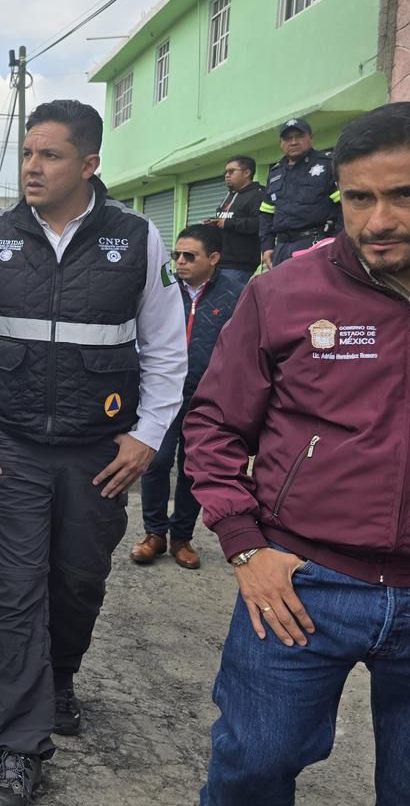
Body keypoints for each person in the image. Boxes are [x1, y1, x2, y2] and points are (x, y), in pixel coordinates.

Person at [184, 101, 410, 805]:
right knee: (252, 769)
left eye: (405, 195)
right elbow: (215, 426)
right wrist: (246, 547)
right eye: (361, 198)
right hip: (302, 584)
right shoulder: (285, 293)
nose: (379, 221)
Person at [0, 99, 186, 804]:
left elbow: (167, 346)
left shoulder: (138, 240)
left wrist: (148, 436)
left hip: (98, 451)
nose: (32, 166)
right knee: (12, 593)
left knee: (78, 582)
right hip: (12, 449)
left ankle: (58, 679)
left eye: (50, 155)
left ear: (88, 164)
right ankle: (18, 746)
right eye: (28, 153)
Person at [130, 224, 242, 570]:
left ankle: (181, 538)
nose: (180, 262)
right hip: (162, 394)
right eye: (177, 254)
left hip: (206, 399)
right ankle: (154, 534)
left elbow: (242, 348)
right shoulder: (163, 290)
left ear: (213, 258)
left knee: (192, 469)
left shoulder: (237, 295)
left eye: (189, 256)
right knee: (155, 461)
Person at [259, 117, 341, 269]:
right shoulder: (275, 173)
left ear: (311, 138)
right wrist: (267, 246)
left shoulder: (327, 165)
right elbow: (266, 213)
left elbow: (344, 206)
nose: (294, 142)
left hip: (315, 244)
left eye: (299, 136)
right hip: (281, 249)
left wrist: (339, 243)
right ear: (281, 144)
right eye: (288, 138)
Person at [204, 156, 263, 285]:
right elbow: (226, 221)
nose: (226, 175)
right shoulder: (229, 196)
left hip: (239, 264)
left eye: (231, 171)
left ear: (246, 173)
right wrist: (214, 224)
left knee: (228, 302)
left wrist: (228, 223)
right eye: (225, 172)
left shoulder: (258, 194)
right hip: (220, 261)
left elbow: (259, 223)